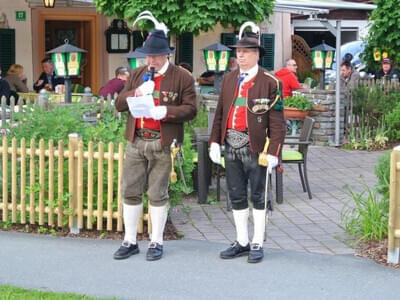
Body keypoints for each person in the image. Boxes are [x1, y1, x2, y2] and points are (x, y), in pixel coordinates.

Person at [114, 29, 197, 261]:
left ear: (166, 55)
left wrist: (167, 111)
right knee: (130, 190)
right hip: (136, 138)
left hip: (162, 141)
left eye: (155, 56)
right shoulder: (137, 74)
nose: (150, 60)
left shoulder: (182, 77)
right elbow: (119, 104)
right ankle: (130, 240)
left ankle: (156, 242)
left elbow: (191, 110)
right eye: (147, 56)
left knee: (157, 193)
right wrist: (137, 91)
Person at [208, 29, 286, 263]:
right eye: (238, 52)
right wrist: (214, 141)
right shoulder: (230, 79)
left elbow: (277, 122)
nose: (240, 56)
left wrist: (273, 152)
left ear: (257, 55)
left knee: (259, 196)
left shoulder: (271, 82)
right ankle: (242, 240)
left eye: (245, 52)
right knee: (236, 194)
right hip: (231, 144)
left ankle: (257, 242)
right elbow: (221, 113)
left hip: (257, 148)